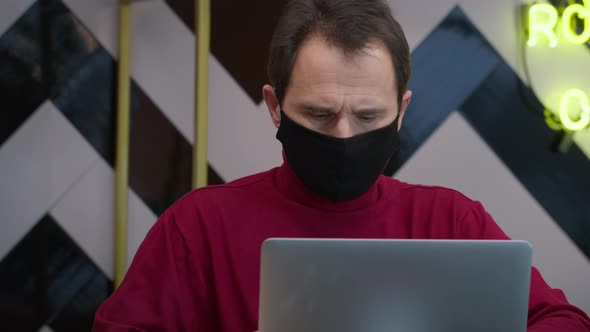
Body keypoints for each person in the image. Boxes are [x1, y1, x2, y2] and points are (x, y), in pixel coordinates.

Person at [93, 0, 590, 331]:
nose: (345, 135)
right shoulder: (198, 225)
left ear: (403, 111)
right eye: (319, 113)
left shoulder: (452, 221)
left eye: (369, 115)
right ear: (274, 105)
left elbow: (563, 320)